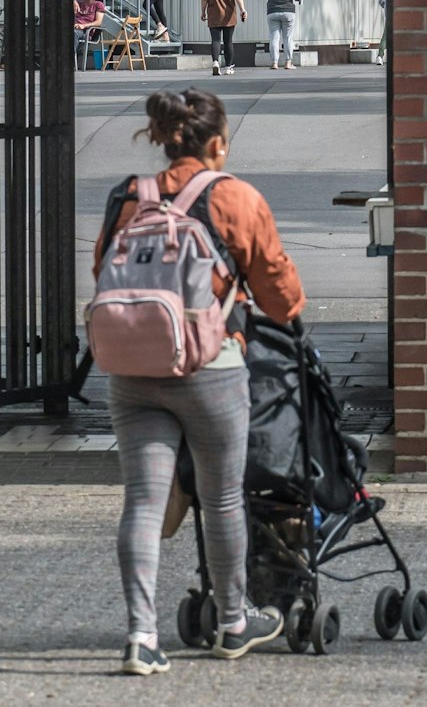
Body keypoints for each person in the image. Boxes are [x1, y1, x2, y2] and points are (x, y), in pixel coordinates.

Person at [94, 88, 304, 675]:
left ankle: (141, 636)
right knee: (221, 499)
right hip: (210, 367)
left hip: (133, 368)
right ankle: (234, 623)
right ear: (216, 143)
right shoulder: (234, 197)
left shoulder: (127, 198)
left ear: (163, 140)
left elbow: (102, 271)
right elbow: (278, 293)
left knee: (143, 499)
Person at [196, 0, 246, 77]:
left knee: (215, 40)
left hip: (214, 15)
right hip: (229, 16)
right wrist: (242, 10)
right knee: (228, 41)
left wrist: (203, 12)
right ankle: (228, 67)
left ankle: (215, 62)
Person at [261, 0, 305, 71]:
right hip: (288, 12)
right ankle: (288, 63)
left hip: (273, 11)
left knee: (274, 38)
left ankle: (275, 63)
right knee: (288, 38)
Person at [74, 0, 108, 69]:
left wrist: (83, 25)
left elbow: (98, 22)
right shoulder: (78, 3)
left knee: (73, 33)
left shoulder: (98, 4)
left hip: (86, 30)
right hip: (75, 27)